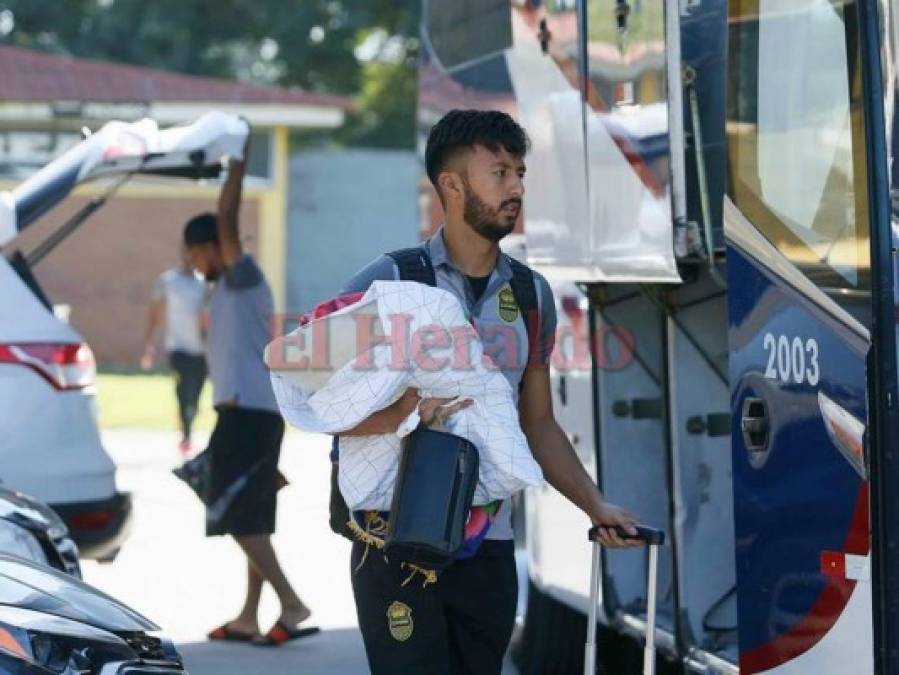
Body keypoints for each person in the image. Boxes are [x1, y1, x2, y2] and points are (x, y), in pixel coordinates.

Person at [335, 109, 641, 675]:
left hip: (489, 548)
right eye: (499, 172)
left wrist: (595, 506)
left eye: (520, 172)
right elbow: (321, 406)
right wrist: (402, 413)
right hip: (393, 545)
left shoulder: (531, 294)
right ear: (451, 185)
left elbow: (539, 424)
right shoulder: (387, 284)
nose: (518, 187)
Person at [182, 136, 317, 647]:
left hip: (248, 416)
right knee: (253, 512)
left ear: (216, 245)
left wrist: (236, 167)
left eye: (196, 251)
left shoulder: (243, 276)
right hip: (250, 413)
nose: (193, 262)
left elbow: (228, 217)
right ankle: (247, 616)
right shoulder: (224, 290)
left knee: (233, 512)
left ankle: (291, 601)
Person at [141, 246, 208, 454]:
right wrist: (149, 344)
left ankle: (189, 423)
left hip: (201, 350)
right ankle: (186, 435)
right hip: (178, 347)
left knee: (195, 395)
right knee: (182, 391)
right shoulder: (167, 282)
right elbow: (154, 313)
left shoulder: (204, 283)